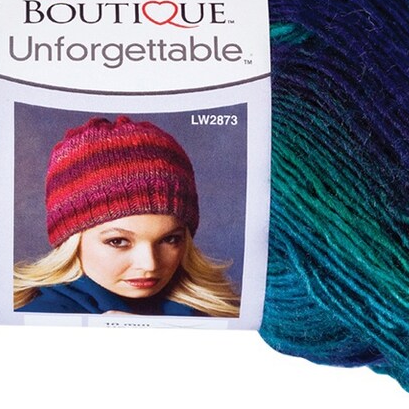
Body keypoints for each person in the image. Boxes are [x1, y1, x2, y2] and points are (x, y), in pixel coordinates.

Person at [15, 115, 241, 315]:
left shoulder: (217, 313)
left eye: (170, 239)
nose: (149, 265)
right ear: (71, 242)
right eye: (118, 241)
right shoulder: (37, 324)